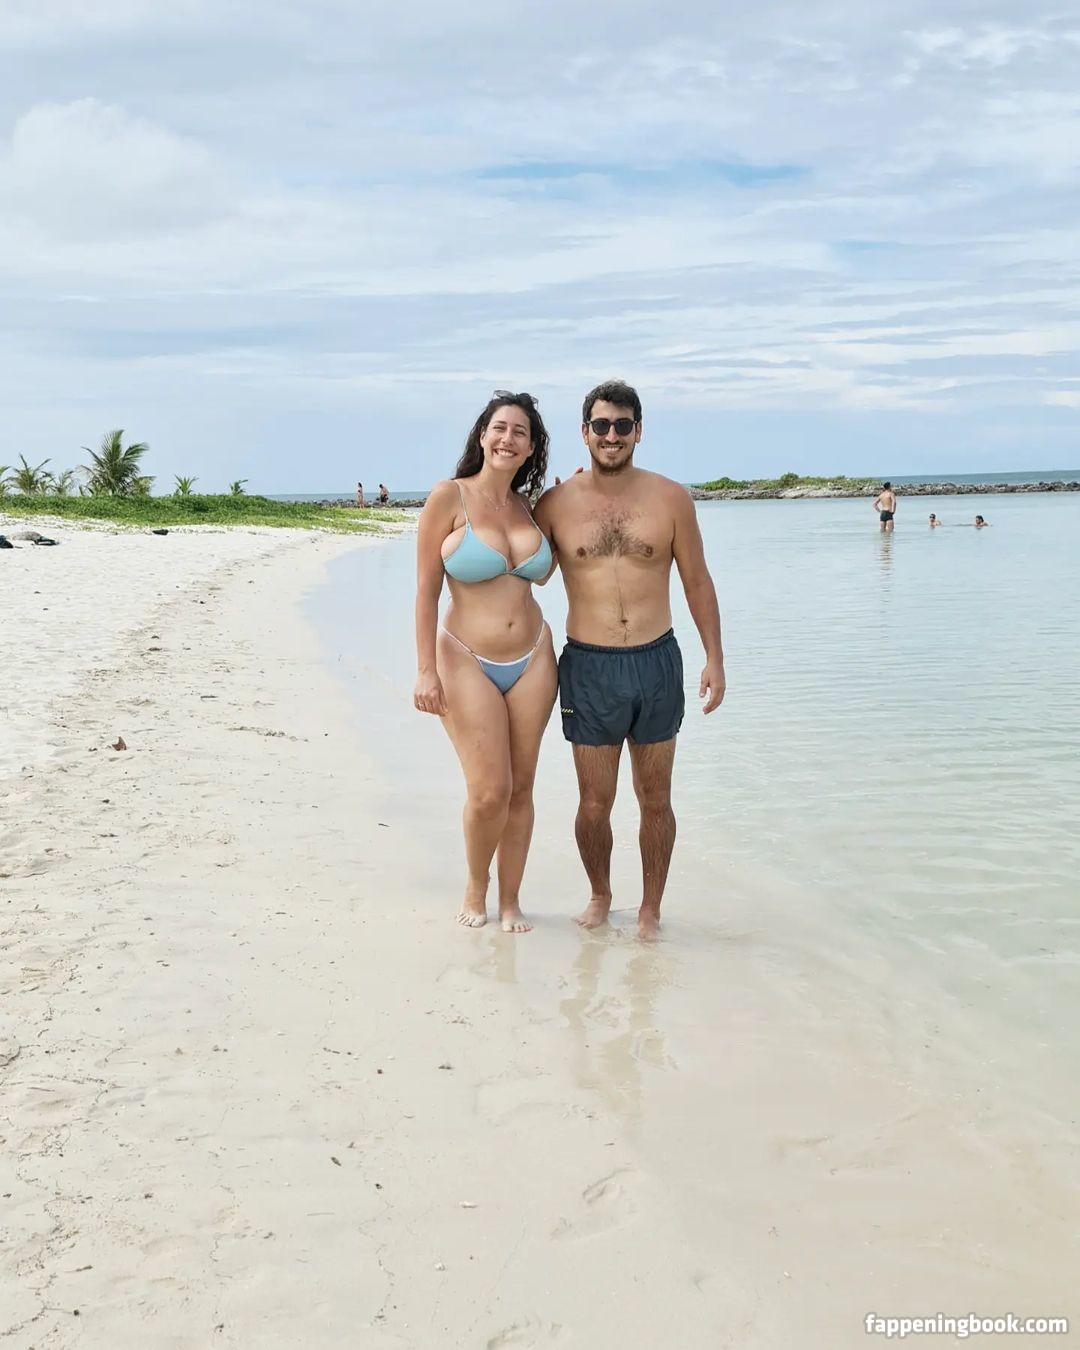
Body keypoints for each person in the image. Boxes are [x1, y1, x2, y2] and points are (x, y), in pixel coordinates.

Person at [534, 380, 725, 940]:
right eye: (601, 425)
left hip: (656, 662)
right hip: (589, 667)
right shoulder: (556, 504)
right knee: (594, 802)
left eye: (622, 425)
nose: (611, 435)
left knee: (656, 800)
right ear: (585, 432)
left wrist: (715, 658)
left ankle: (650, 909)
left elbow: (697, 580)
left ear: (639, 431)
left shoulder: (671, 498)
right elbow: (533, 574)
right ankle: (600, 894)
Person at [413, 391, 556, 933]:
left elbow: (545, 573)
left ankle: (512, 899)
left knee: (521, 789)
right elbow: (426, 590)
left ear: (531, 447)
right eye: (500, 428)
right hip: (464, 658)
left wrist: (570, 502)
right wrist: (425, 669)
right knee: (490, 790)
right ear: (482, 435)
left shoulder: (531, 507)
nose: (507, 439)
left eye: (520, 432)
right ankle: (477, 886)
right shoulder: (448, 497)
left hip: (534, 657)